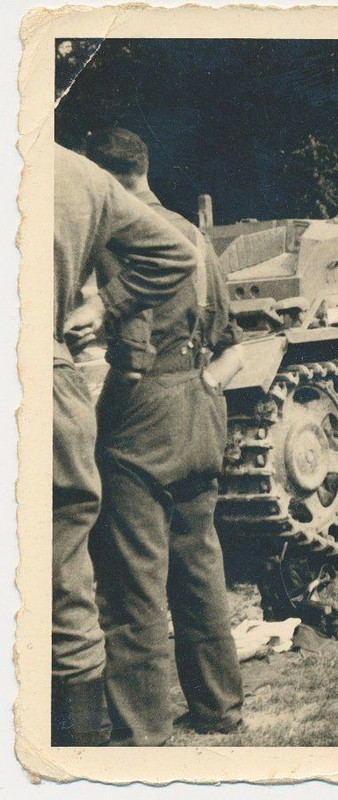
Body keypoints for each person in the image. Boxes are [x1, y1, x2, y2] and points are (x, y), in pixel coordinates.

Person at [83, 127, 245, 745]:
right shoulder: (193, 235)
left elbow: (125, 346)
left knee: (134, 587)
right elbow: (227, 332)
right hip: (201, 404)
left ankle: (143, 735)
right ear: (144, 170)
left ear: (102, 180)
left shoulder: (119, 240)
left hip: (141, 413)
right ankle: (219, 710)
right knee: (200, 567)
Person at [52, 143, 199, 746]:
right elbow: (179, 264)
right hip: (181, 397)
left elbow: (134, 355)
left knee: (135, 570)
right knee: (78, 581)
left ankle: (145, 731)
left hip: (144, 406)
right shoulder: (83, 179)